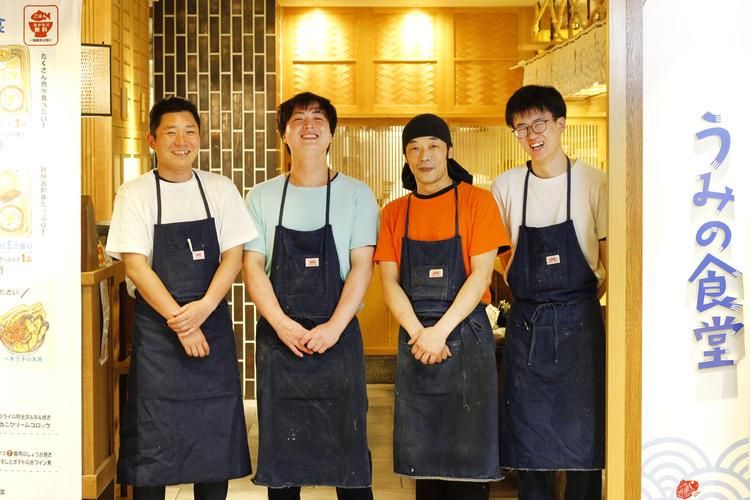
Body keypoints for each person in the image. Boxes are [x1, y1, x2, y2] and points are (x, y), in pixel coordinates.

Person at [105, 97, 255, 499]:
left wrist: (204, 308)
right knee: (153, 443)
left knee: (214, 442)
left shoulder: (220, 189)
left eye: (190, 131)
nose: (181, 140)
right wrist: (182, 323)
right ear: (152, 140)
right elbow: (136, 267)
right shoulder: (134, 193)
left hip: (212, 324)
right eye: (170, 132)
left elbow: (234, 256)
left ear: (200, 138)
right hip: (159, 333)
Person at [242, 92, 378, 500]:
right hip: (280, 343)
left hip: (338, 338)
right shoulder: (260, 196)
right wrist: (282, 325)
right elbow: (252, 267)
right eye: (297, 119)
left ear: (331, 133)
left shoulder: (357, 194)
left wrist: (334, 328)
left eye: (318, 118)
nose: (309, 126)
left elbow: (362, 266)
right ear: (284, 134)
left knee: (350, 458)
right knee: (283, 463)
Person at [374, 113, 510, 500]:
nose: (425, 156)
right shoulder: (394, 213)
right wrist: (421, 334)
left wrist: (439, 333)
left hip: (466, 338)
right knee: (426, 464)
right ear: (405, 156)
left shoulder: (477, 202)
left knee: (469, 463)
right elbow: (389, 283)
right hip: (417, 341)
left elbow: (481, 276)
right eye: (415, 148)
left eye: (433, 146)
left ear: (450, 151)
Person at [491, 85, 607, 500]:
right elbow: (500, 258)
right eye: (520, 128)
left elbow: (609, 260)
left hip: (581, 325)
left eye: (539, 124)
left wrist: (576, 304)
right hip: (528, 325)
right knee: (529, 436)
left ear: (561, 124)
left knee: (584, 436)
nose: (531, 135)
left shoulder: (595, 181)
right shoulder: (506, 186)